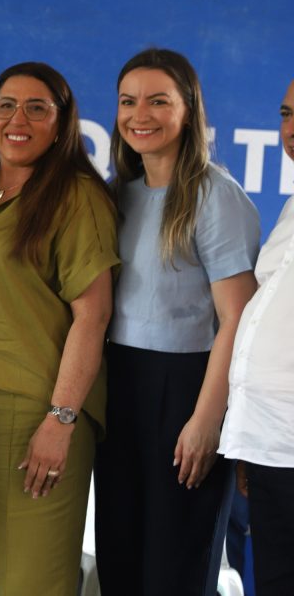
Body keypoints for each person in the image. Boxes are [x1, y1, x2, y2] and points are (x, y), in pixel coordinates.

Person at [0, 62, 118, 595]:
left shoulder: (79, 197)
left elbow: (92, 316)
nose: (18, 119)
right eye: (6, 105)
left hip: (38, 405)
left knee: (30, 578)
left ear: (61, 124)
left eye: (37, 108)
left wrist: (61, 419)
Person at [95, 48, 259, 596]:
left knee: (175, 572)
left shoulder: (216, 196)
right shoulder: (119, 194)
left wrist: (207, 421)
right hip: (119, 388)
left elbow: (237, 320)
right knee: (120, 562)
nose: (140, 114)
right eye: (128, 101)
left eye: (158, 101)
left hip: (185, 390)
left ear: (189, 111)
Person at [218, 78, 294, 596]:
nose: (292, 129)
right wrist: (248, 438)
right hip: (270, 447)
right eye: (287, 113)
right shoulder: (290, 209)